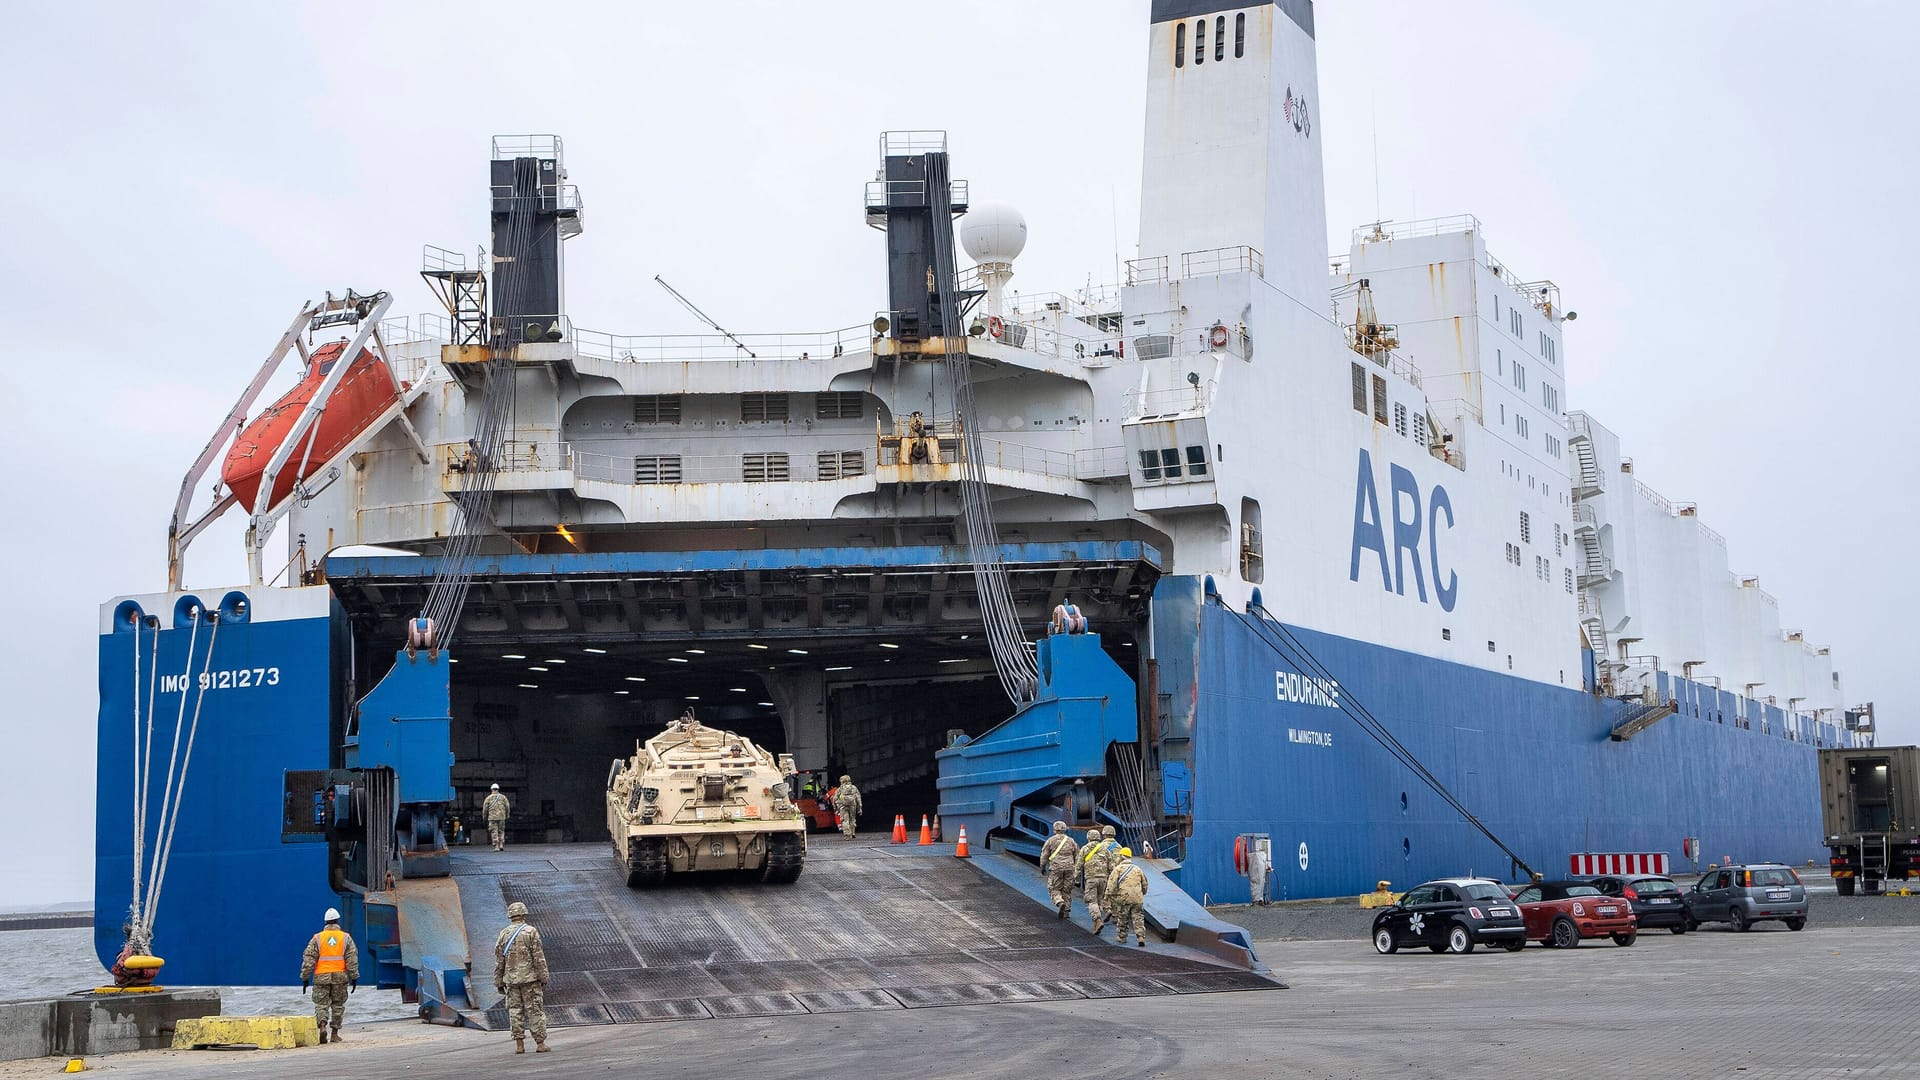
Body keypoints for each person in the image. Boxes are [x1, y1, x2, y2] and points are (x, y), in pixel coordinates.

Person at [494, 901, 550, 1054]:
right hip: (530, 979)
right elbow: (538, 957)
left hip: (511, 980)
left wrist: (498, 980)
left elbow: (500, 960)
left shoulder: (504, 933)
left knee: (515, 1011)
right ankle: (540, 1043)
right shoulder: (531, 931)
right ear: (524, 914)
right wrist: (543, 976)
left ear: (510, 915)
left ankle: (519, 1044)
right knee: (534, 1010)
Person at [299, 906, 359, 1044]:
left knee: (321, 1004)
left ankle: (322, 1027)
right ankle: (334, 1034)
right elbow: (352, 959)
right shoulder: (346, 938)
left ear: (325, 922)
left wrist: (305, 978)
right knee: (338, 1005)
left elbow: (309, 959)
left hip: (321, 976)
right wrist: (354, 977)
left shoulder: (317, 938)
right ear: (337, 921)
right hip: (340, 977)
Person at [1105, 847, 1150, 946]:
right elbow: (1145, 884)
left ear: (1121, 857)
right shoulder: (1138, 869)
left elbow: (1111, 884)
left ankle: (1122, 937)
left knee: (1123, 917)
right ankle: (1141, 936)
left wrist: (1108, 895)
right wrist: (1143, 893)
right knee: (1138, 917)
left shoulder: (1118, 869)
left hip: (1124, 898)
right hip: (1137, 898)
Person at [1082, 826, 1119, 934]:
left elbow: (1079, 864)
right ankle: (1113, 914)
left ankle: (1098, 920)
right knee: (1105, 897)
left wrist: (1075, 878)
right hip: (1108, 877)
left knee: (1091, 900)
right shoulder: (1118, 846)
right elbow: (1111, 864)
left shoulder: (1090, 847)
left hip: (1092, 878)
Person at [1039, 821, 1080, 919]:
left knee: (1054, 888)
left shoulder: (1050, 841)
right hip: (1070, 868)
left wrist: (1042, 867)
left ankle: (1059, 902)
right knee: (1067, 889)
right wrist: (1076, 870)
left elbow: (1044, 856)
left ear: (1054, 829)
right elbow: (1077, 855)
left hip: (1056, 868)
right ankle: (1066, 912)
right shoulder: (1071, 841)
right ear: (1065, 829)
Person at [832, 774, 862, 839]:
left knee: (845, 820)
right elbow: (858, 798)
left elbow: (834, 799)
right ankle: (852, 833)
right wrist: (859, 808)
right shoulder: (854, 787)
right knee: (852, 819)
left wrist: (835, 808)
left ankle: (847, 835)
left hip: (843, 806)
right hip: (852, 805)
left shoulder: (840, 789)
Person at [483, 783, 510, 851]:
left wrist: (484, 817)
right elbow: (507, 807)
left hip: (492, 818)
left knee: (494, 831)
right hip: (502, 817)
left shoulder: (488, 798)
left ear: (491, 789)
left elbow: (485, 809)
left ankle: (496, 846)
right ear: (498, 789)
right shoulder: (503, 797)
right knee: (501, 831)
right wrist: (507, 815)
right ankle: (501, 844)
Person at [1248, 838, 1272, 906]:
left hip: (1261, 862)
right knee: (1258, 880)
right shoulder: (1257, 856)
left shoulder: (1259, 856)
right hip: (1260, 862)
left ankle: (1259, 899)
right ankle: (1257, 899)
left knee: (1260, 880)